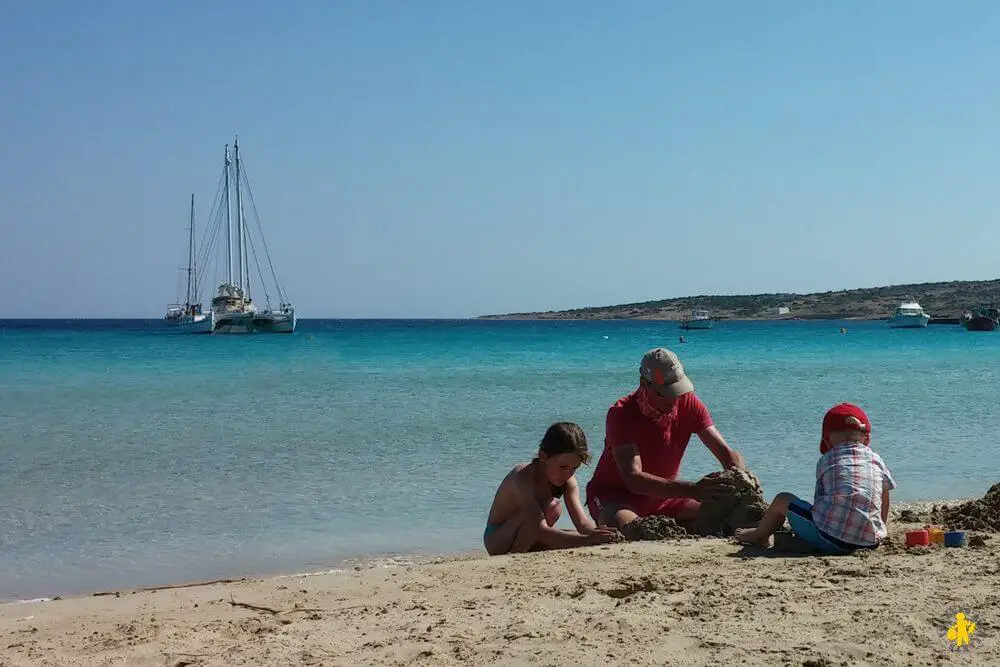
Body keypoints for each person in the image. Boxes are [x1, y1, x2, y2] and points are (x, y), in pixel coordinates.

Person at [584, 347, 749, 532]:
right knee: (628, 529)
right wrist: (693, 490)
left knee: (730, 515)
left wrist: (743, 478)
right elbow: (634, 479)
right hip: (616, 498)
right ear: (644, 384)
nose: (673, 399)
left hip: (666, 497)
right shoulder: (621, 414)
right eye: (665, 392)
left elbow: (726, 453)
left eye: (677, 391)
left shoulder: (688, 402)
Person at [734, 403, 895, 553]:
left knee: (782, 499)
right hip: (871, 542)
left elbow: (819, 499)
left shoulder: (827, 459)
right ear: (866, 439)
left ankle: (759, 535)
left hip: (831, 539)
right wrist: (878, 529)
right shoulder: (876, 459)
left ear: (826, 440)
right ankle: (871, 531)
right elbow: (884, 495)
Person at [484, 421, 622, 555]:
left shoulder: (568, 482)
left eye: (574, 468)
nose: (568, 474)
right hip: (497, 539)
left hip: (530, 534)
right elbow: (539, 527)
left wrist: (600, 534)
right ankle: (516, 554)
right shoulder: (523, 477)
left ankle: (530, 550)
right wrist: (587, 540)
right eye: (563, 467)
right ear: (543, 456)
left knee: (572, 533)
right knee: (551, 508)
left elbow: (582, 523)